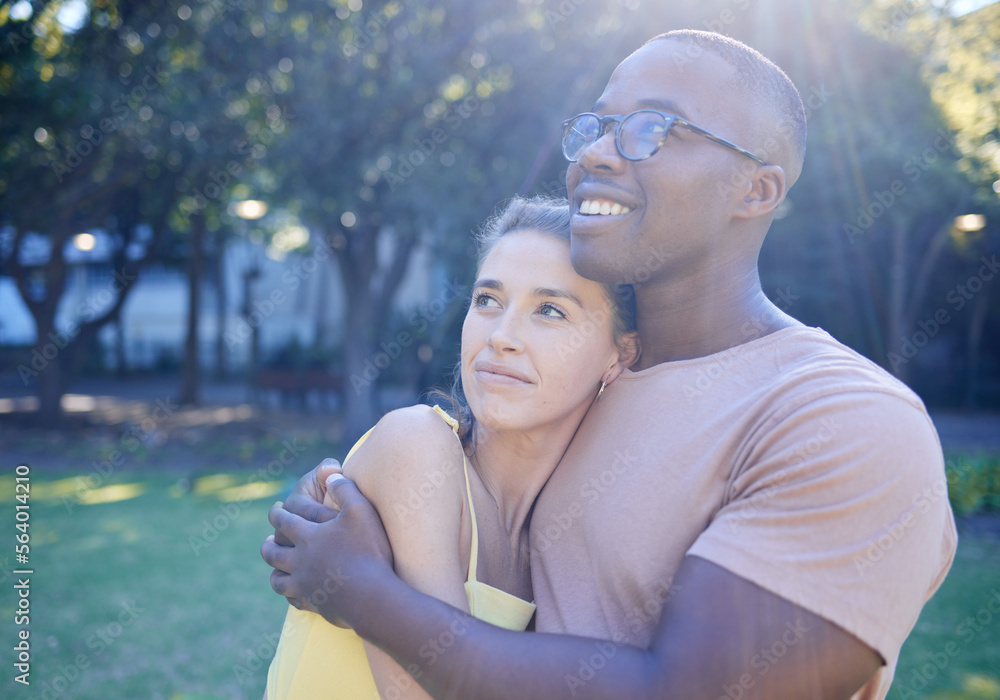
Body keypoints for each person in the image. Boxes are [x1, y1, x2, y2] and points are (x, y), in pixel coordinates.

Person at [262, 30, 957, 699]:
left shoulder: (842, 417)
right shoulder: (583, 390)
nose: (597, 152)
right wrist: (356, 495)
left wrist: (365, 594)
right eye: (597, 124)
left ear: (757, 190)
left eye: (654, 127)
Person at [263, 195, 639, 699]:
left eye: (549, 310)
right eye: (487, 300)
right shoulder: (417, 446)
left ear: (619, 355)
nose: (501, 336)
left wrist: (366, 588)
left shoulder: (563, 536)